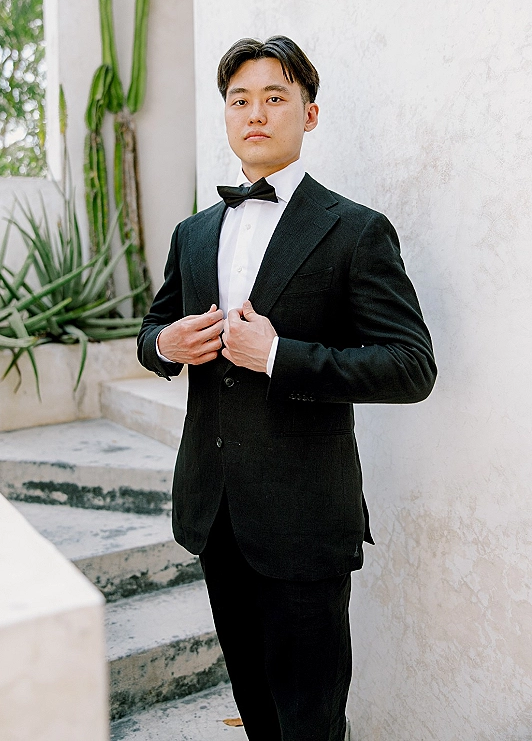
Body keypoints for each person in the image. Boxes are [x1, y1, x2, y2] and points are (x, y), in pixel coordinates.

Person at [137, 36, 436, 741]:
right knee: (258, 713)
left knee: (310, 721)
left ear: (310, 114)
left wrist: (278, 355)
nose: (256, 113)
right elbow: (152, 331)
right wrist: (165, 346)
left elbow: (410, 366)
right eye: (240, 100)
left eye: (275, 97)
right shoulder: (192, 233)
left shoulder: (356, 231)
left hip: (304, 520)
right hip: (215, 512)